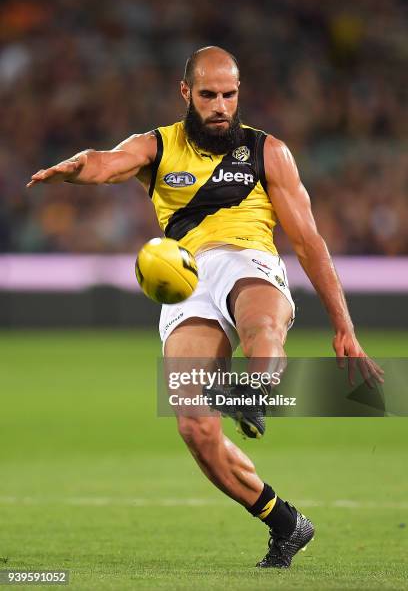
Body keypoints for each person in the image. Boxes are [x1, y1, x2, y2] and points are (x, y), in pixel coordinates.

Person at [28, 46, 383, 569]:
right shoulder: (157, 146)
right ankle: (284, 522)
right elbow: (108, 163)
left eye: (230, 95)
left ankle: (254, 392)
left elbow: (308, 241)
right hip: (186, 276)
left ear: (239, 94)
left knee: (262, 325)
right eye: (209, 95)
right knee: (194, 424)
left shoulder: (269, 153)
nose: (221, 105)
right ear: (186, 93)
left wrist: (344, 328)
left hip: (250, 260)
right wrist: (77, 168)